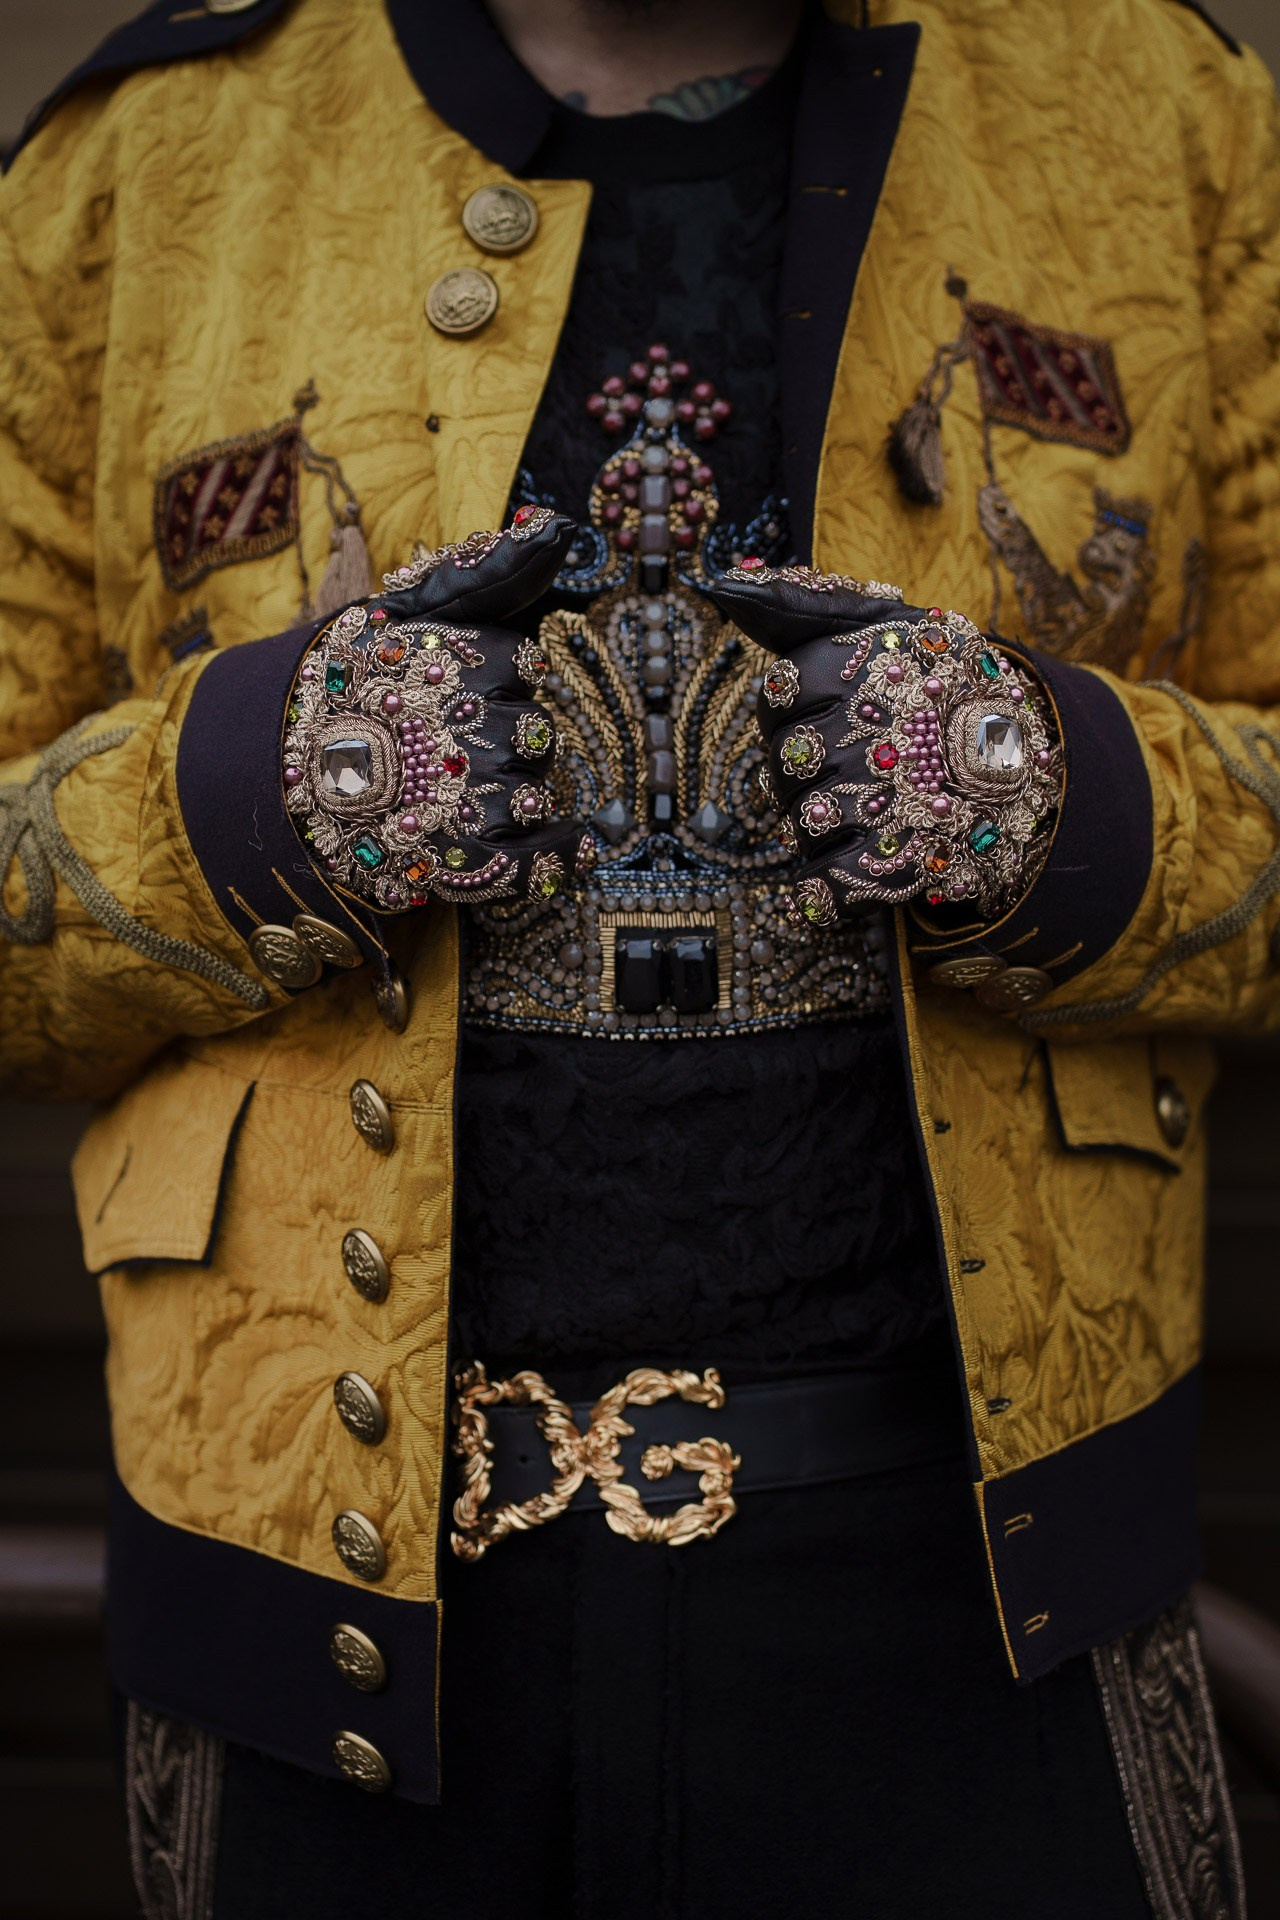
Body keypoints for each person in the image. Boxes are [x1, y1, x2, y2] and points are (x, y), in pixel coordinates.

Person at [0, 0, 1273, 1911]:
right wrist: (258, 792)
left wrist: (1052, 791)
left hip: (988, 1622)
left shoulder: (1156, 114)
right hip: (322, 1649)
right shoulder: (141, 167)